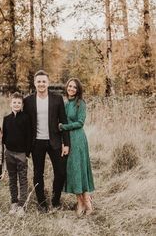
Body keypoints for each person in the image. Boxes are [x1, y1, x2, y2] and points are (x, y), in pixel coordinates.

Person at [23, 70, 70, 212]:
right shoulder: (28, 100)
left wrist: (66, 143)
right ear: (34, 83)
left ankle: (55, 201)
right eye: (39, 81)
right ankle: (42, 203)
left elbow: (64, 121)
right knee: (38, 173)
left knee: (61, 172)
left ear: (48, 83)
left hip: (54, 141)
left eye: (44, 81)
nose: (41, 84)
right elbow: (25, 125)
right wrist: (25, 147)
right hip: (36, 142)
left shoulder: (57, 99)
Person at [59, 78, 95, 216]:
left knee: (79, 169)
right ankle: (80, 201)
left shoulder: (81, 103)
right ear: (66, 87)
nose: (72, 88)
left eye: (74, 87)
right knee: (73, 170)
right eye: (70, 86)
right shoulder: (65, 103)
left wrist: (64, 127)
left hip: (78, 139)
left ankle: (87, 202)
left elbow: (80, 122)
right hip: (68, 140)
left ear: (78, 89)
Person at [2, 92, 31, 217]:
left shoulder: (26, 118)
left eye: (19, 103)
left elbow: (29, 137)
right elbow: (4, 137)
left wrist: (27, 153)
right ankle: (14, 202)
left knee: (23, 180)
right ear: (10, 104)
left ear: (22, 104)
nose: (16, 104)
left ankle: (21, 205)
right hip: (9, 153)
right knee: (12, 179)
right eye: (14, 102)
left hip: (21, 154)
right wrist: (4, 152)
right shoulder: (6, 119)